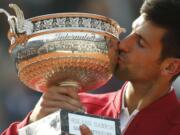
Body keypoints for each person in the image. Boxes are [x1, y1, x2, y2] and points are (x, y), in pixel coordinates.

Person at [1, 0, 180, 134]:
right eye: (132, 32)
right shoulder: (76, 106)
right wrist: (33, 124)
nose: (123, 44)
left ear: (170, 66)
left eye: (140, 43)